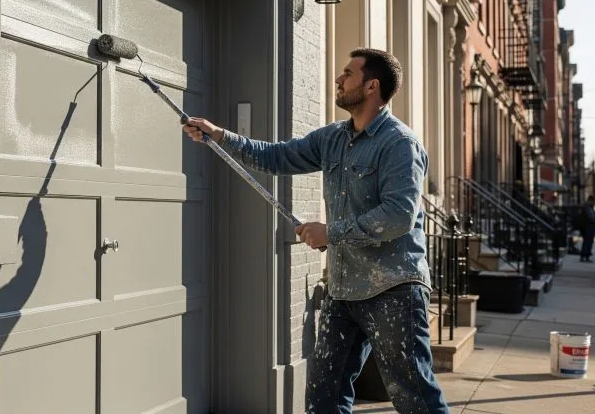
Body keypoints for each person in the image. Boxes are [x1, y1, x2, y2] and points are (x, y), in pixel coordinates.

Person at [183, 48, 449, 414]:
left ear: (372, 86)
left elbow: (399, 215)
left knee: (415, 397)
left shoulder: (399, 144)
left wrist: (332, 233)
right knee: (323, 397)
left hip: (394, 290)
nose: (338, 80)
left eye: (348, 73)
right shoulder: (332, 138)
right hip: (343, 290)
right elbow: (276, 156)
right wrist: (221, 135)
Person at [580, 196, 595, 262]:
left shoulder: (588, 207)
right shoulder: (586, 207)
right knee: (588, 242)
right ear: (590, 201)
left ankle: (585, 255)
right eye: (593, 201)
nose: (594, 203)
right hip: (588, 227)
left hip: (588, 226)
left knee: (587, 242)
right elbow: (590, 217)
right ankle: (585, 255)